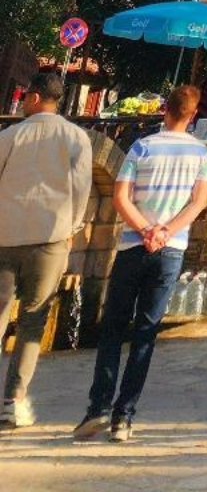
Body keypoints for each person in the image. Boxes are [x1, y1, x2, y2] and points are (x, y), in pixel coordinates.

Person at [73, 83, 207, 443]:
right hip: (170, 250)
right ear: (193, 115)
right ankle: (125, 416)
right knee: (146, 333)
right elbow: (198, 204)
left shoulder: (142, 146)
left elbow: (120, 196)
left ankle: (98, 408)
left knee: (114, 328)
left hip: (134, 245)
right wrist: (165, 233)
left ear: (164, 109)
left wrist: (145, 229)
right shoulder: (201, 154)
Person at [0, 69, 91, 430]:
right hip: (51, 238)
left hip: (5, 235)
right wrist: (72, 228)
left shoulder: (9, 136)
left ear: (36, 97)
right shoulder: (76, 138)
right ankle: (12, 400)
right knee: (34, 321)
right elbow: (82, 190)